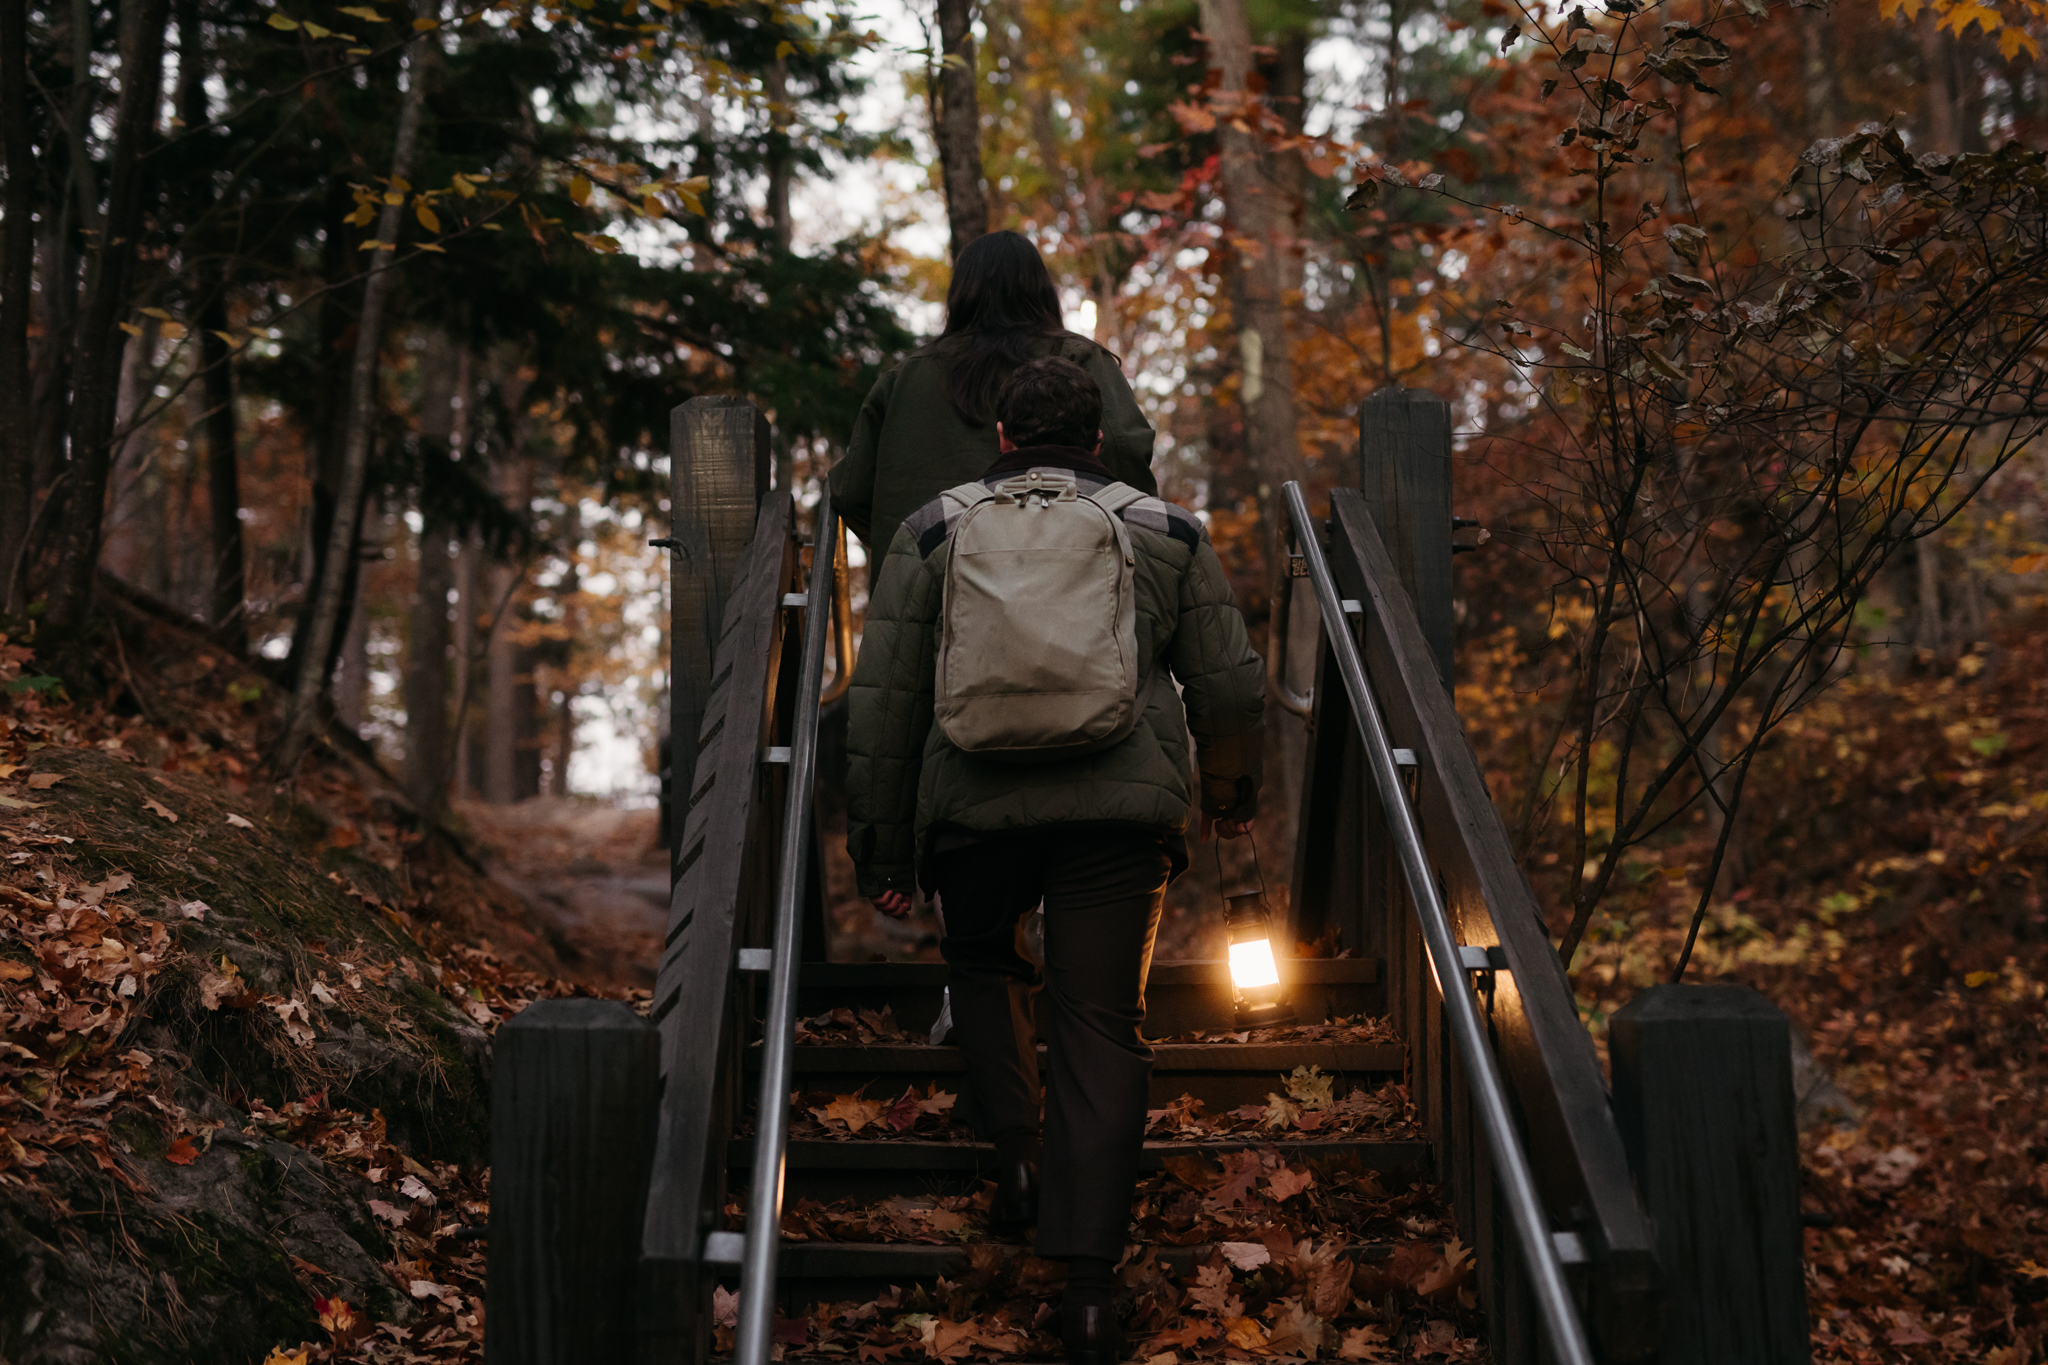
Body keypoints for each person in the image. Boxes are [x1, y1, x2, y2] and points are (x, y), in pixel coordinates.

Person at [845, 356, 1265, 1365]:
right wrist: (1226, 797)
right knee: (1099, 1021)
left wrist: (883, 848)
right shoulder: (1161, 530)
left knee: (983, 967)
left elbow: (884, 702)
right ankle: (1086, 1286)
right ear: (1096, 439)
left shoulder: (932, 531)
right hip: (1118, 820)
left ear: (997, 437)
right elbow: (1230, 685)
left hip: (971, 810)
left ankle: (1017, 1161)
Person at [829, 230, 1157, 570]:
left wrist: (906, 544)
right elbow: (1126, 456)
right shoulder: (1081, 362)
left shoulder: (903, 379)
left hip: (923, 598)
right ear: (1043, 292)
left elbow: (851, 491)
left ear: (960, 294)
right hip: (1063, 588)